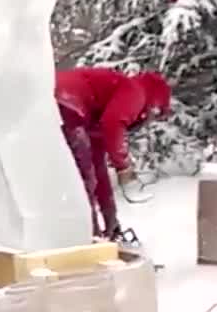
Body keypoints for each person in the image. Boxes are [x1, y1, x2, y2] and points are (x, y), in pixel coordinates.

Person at [54, 67, 172, 239]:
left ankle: (91, 234)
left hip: (56, 98)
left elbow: (99, 171)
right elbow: (113, 123)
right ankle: (88, 239)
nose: (149, 121)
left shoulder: (99, 116)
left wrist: (111, 218)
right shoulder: (135, 91)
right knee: (81, 179)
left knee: (84, 175)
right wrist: (123, 166)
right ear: (154, 104)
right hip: (66, 100)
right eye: (156, 114)